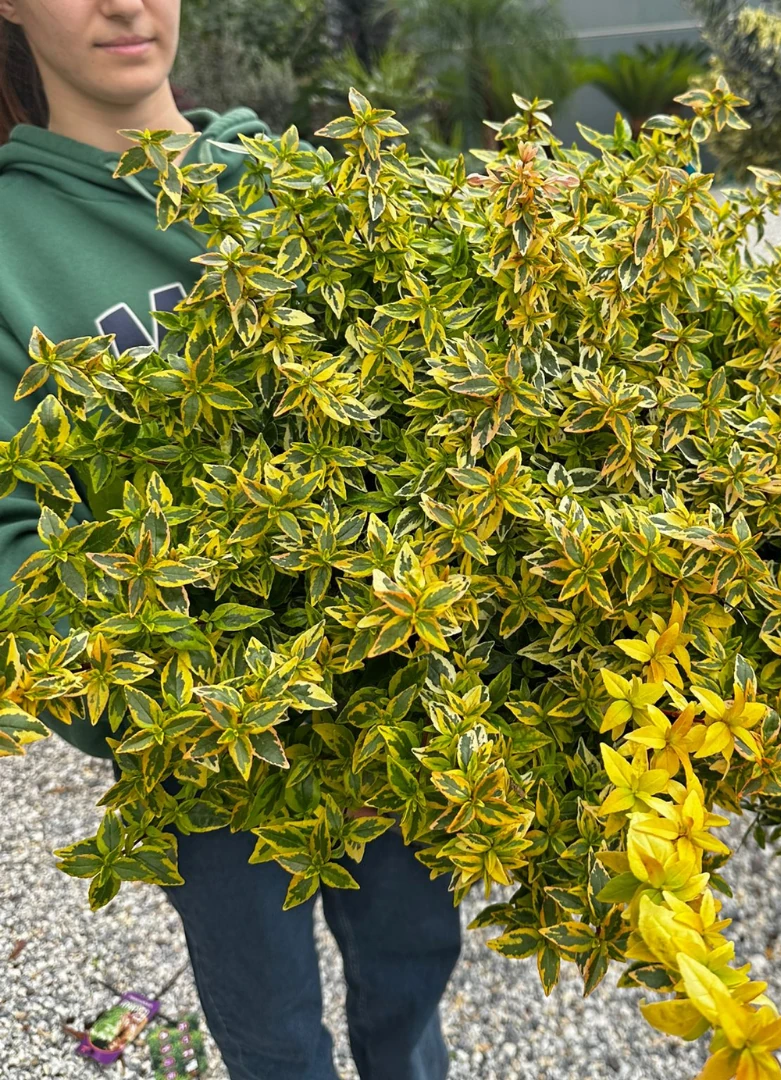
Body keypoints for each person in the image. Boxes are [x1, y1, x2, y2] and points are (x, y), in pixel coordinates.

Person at [0, 4, 462, 1079]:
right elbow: (13, 543)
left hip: (394, 700)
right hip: (201, 758)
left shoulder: (302, 180)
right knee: (271, 1033)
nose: (124, 3)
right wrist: (179, 672)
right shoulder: (14, 255)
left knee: (412, 975)